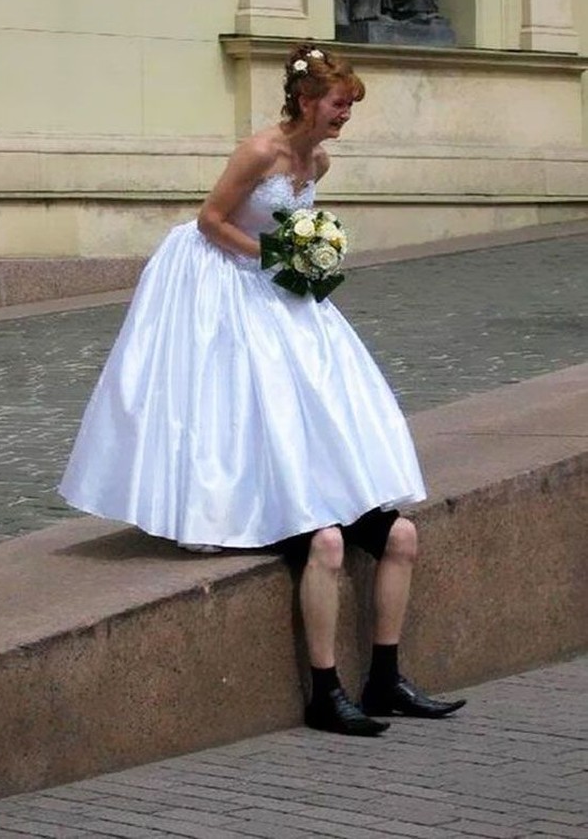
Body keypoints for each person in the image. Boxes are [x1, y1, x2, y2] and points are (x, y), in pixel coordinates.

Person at [59, 44, 465, 735]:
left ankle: (387, 679)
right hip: (224, 279)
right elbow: (210, 220)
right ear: (309, 100)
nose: (345, 116)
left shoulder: (320, 161)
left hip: (277, 286)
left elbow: (299, 223)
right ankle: (321, 681)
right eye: (340, 104)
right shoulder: (260, 151)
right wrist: (278, 256)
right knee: (250, 405)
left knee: (340, 421)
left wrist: (310, 255)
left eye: (350, 107)